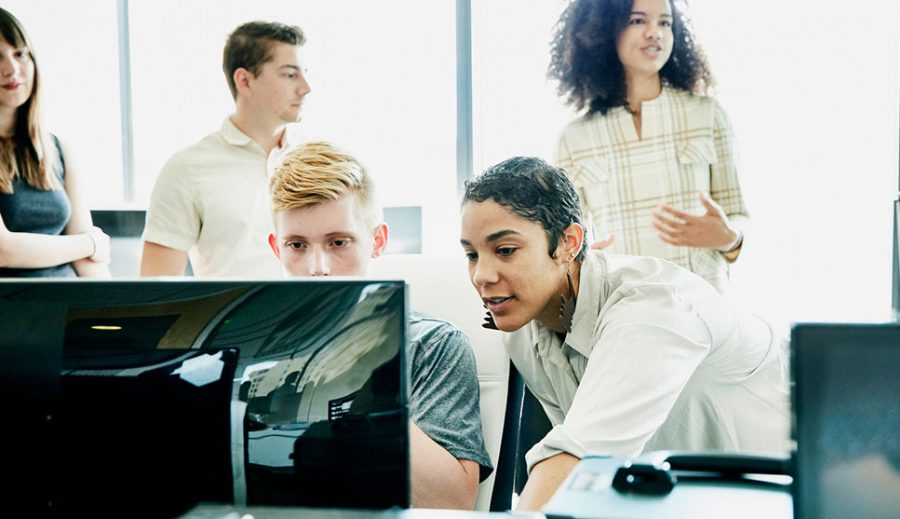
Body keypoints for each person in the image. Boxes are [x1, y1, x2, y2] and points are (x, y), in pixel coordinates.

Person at [459, 156, 789, 511]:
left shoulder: (653, 308)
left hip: (782, 497)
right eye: (472, 254)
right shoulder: (524, 331)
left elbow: (575, 458)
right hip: (680, 501)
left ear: (568, 242)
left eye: (505, 250)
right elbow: (587, 474)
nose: (482, 275)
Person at [267, 141, 493, 509]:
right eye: (297, 245)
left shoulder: (433, 346)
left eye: (338, 242)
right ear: (277, 248)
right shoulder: (259, 349)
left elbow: (451, 504)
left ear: (377, 241)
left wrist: (365, 375)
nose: (317, 268)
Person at [550, 0, 748, 292]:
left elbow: (738, 216)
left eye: (664, 23)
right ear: (603, 31)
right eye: (638, 21)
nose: (655, 32)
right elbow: (564, 246)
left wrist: (729, 238)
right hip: (626, 306)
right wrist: (582, 264)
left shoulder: (707, 114)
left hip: (706, 307)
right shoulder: (574, 138)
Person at [141, 20, 311, 278]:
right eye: (290, 74)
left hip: (322, 316)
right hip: (234, 318)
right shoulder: (187, 169)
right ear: (245, 80)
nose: (305, 88)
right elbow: (155, 290)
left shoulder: (319, 159)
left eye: (304, 73)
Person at [0, 8, 110, 278]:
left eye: (20, 54)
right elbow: (4, 250)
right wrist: (89, 243)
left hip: (65, 309)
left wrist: (117, 314)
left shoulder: (58, 150)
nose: (11, 69)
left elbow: (90, 262)